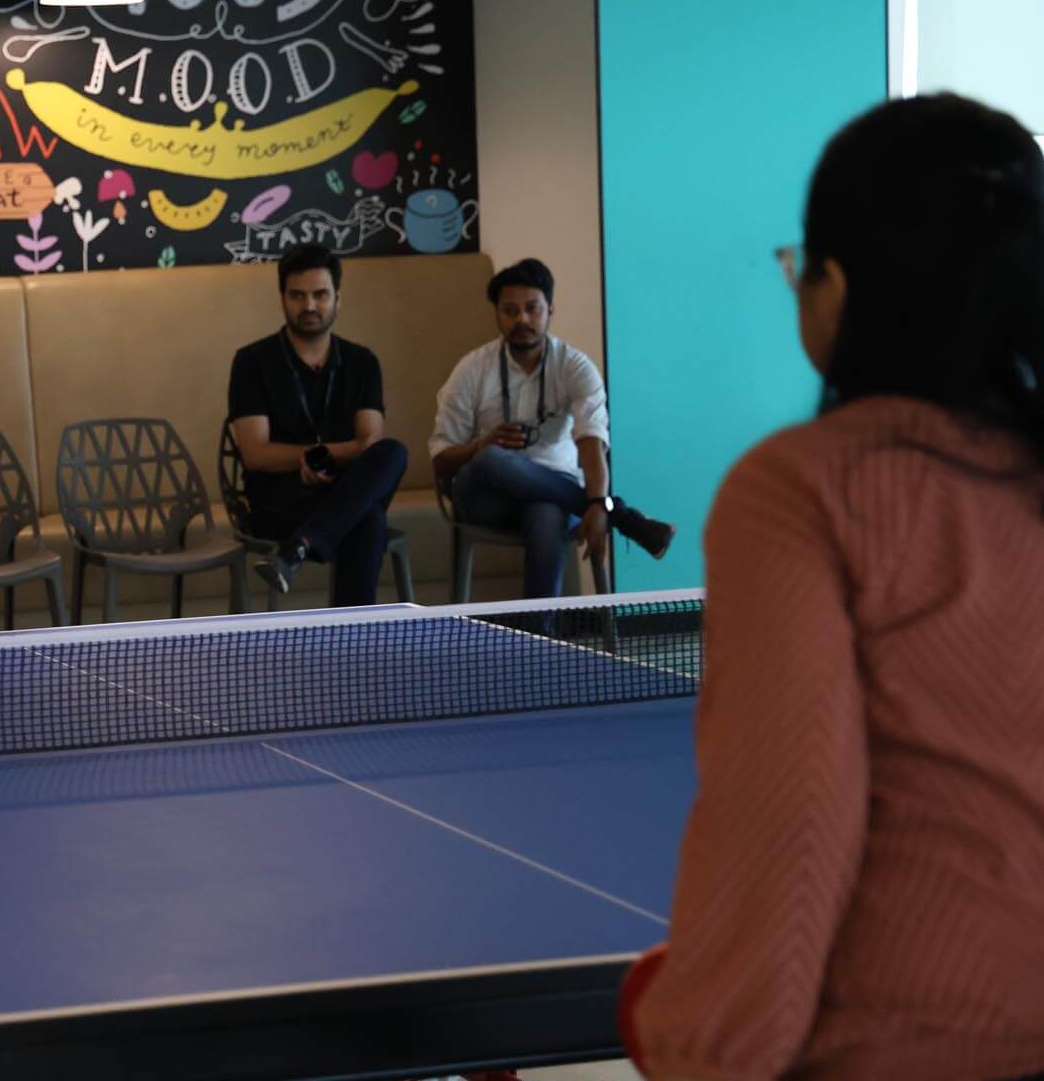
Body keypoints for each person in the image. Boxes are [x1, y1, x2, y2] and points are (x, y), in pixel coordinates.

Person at [626, 94, 1044, 1081]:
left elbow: (787, 830)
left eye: (796, 265)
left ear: (838, 286)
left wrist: (703, 1045)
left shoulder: (804, 489)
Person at [428, 257, 672, 598]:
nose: (522, 319)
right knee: (492, 458)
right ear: (496, 314)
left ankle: (540, 641)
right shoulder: (472, 369)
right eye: (510, 310)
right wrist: (481, 446)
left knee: (546, 515)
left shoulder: (574, 366)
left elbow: (592, 438)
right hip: (484, 498)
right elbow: (440, 462)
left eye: (532, 308)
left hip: (557, 497)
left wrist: (597, 500)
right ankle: (623, 515)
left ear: (550, 310)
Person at [229, 243, 410, 604]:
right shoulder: (252, 361)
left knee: (393, 452)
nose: (309, 306)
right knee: (368, 518)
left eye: (320, 294)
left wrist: (330, 457)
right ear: (282, 298)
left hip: (345, 487)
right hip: (278, 500)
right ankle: (348, 647)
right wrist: (320, 457)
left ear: (337, 298)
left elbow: (372, 443)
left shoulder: (362, 362)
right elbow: (255, 455)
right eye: (297, 295)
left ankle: (300, 546)